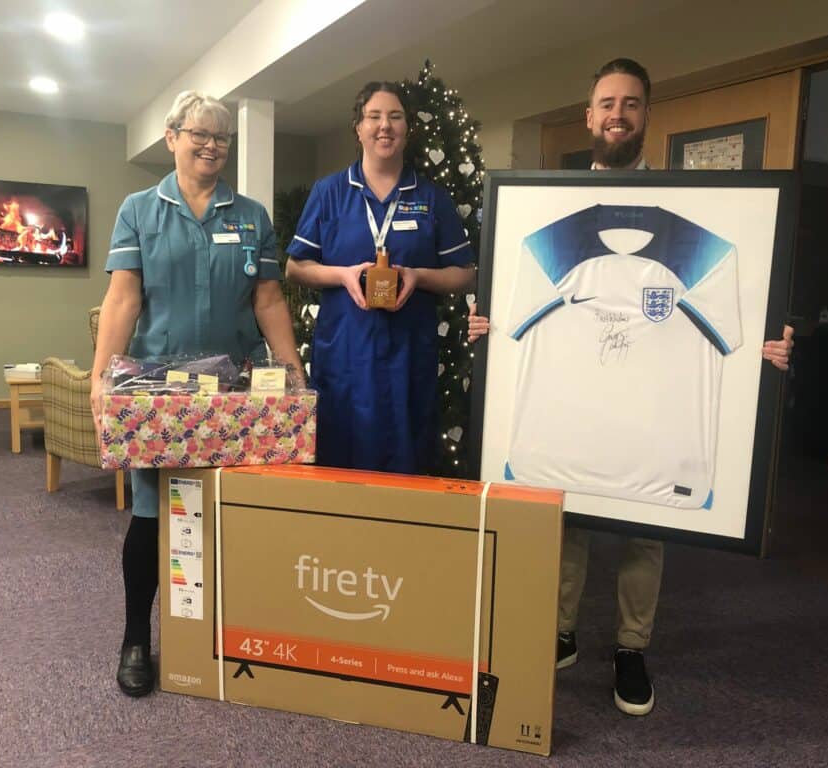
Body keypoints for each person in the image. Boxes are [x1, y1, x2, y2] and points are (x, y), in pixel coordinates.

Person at [467, 58, 794, 716]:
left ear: (647, 116)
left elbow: (742, 323)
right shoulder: (544, 221)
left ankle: (630, 647)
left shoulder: (701, 227)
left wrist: (770, 346)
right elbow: (510, 324)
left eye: (632, 104)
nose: (617, 113)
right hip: (568, 429)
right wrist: (488, 328)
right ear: (589, 116)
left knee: (647, 535)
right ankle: (559, 629)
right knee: (567, 525)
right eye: (607, 103)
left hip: (657, 440)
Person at [91, 91, 304, 697]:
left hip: (235, 394)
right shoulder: (139, 209)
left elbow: (267, 299)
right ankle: (137, 636)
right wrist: (101, 375)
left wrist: (293, 370)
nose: (212, 146)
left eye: (222, 138)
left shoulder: (251, 215)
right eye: (200, 134)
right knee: (152, 514)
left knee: (230, 512)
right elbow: (123, 298)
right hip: (160, 396)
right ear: (171, 137)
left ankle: (225, 634)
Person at [285, 81, 476, 474]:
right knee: (340, 466)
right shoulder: (330, 192)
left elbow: (466, 275)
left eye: (395, 116)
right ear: (358, 128)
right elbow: (295, 267)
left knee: (406, 468)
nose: (384, 126)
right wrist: (343, 274)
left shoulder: (431, 197)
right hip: (345, 355)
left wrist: (417, 275)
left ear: (408, 128)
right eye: (374, 117)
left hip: (408, 357)